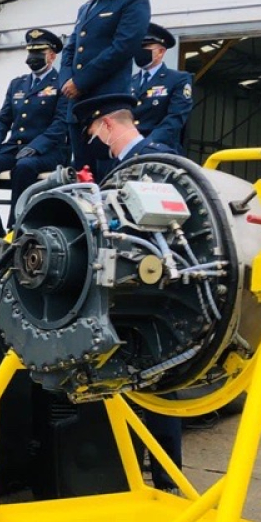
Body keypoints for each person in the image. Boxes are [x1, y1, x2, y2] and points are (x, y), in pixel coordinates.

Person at [73, 93, 180, 491]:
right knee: (134, 383)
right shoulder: (131, 164)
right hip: (130, 287)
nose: (99, 142)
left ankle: (168, 480)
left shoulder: (156, 161)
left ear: (108, 125)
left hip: (155, 289)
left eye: (98, 133)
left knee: (159, 386)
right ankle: (135, 476)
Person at [0, 28, 69, 239]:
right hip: (16, 147)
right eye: (31, 51)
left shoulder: (61, 84)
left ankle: (17, 229)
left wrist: (36, 147)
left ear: (52, 55)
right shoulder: (17, 84)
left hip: (47, 150)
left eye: (40, 52)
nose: (34, 57)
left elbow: (60, 124)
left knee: (24, 168)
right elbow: (3, 120)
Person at [60, 0, 151, 176]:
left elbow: (122, 47)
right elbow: (71, 48)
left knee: (107, 176)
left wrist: (81, 81)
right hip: (78, 106)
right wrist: (67, 81)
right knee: (82, 176)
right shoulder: (86, 8)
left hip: (106, 103)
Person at [131, 23, 193, 154]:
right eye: (138, 46)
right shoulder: (130, 82)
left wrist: (147, 144)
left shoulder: (178, 79)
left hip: (159, 151)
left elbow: (175, 117)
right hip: (129, 149)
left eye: (146, 47)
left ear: (161, 52)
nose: (140, 51)